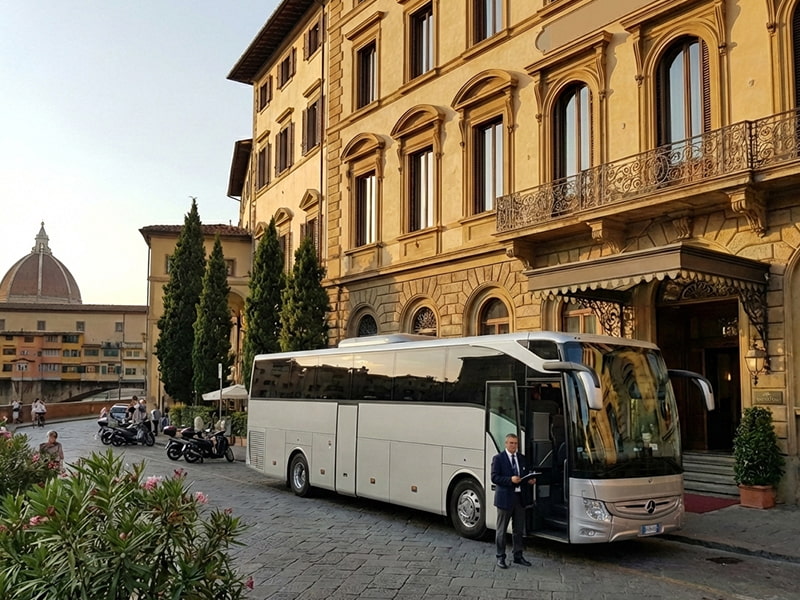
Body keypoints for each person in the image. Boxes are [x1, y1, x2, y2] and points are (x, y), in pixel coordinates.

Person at [491, 433, 535, 569]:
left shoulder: (522, 458)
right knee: (501, 530)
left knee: (518, 530)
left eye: (515, 443)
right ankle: (500, 557)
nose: (513, 446)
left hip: (519, 499)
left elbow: (525, 474)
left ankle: (518, 555)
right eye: (511, 443)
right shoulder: (498, 458)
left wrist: (530, 480)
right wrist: (510, 480)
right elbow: (494, 477)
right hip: (505, 499)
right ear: (506, 444)